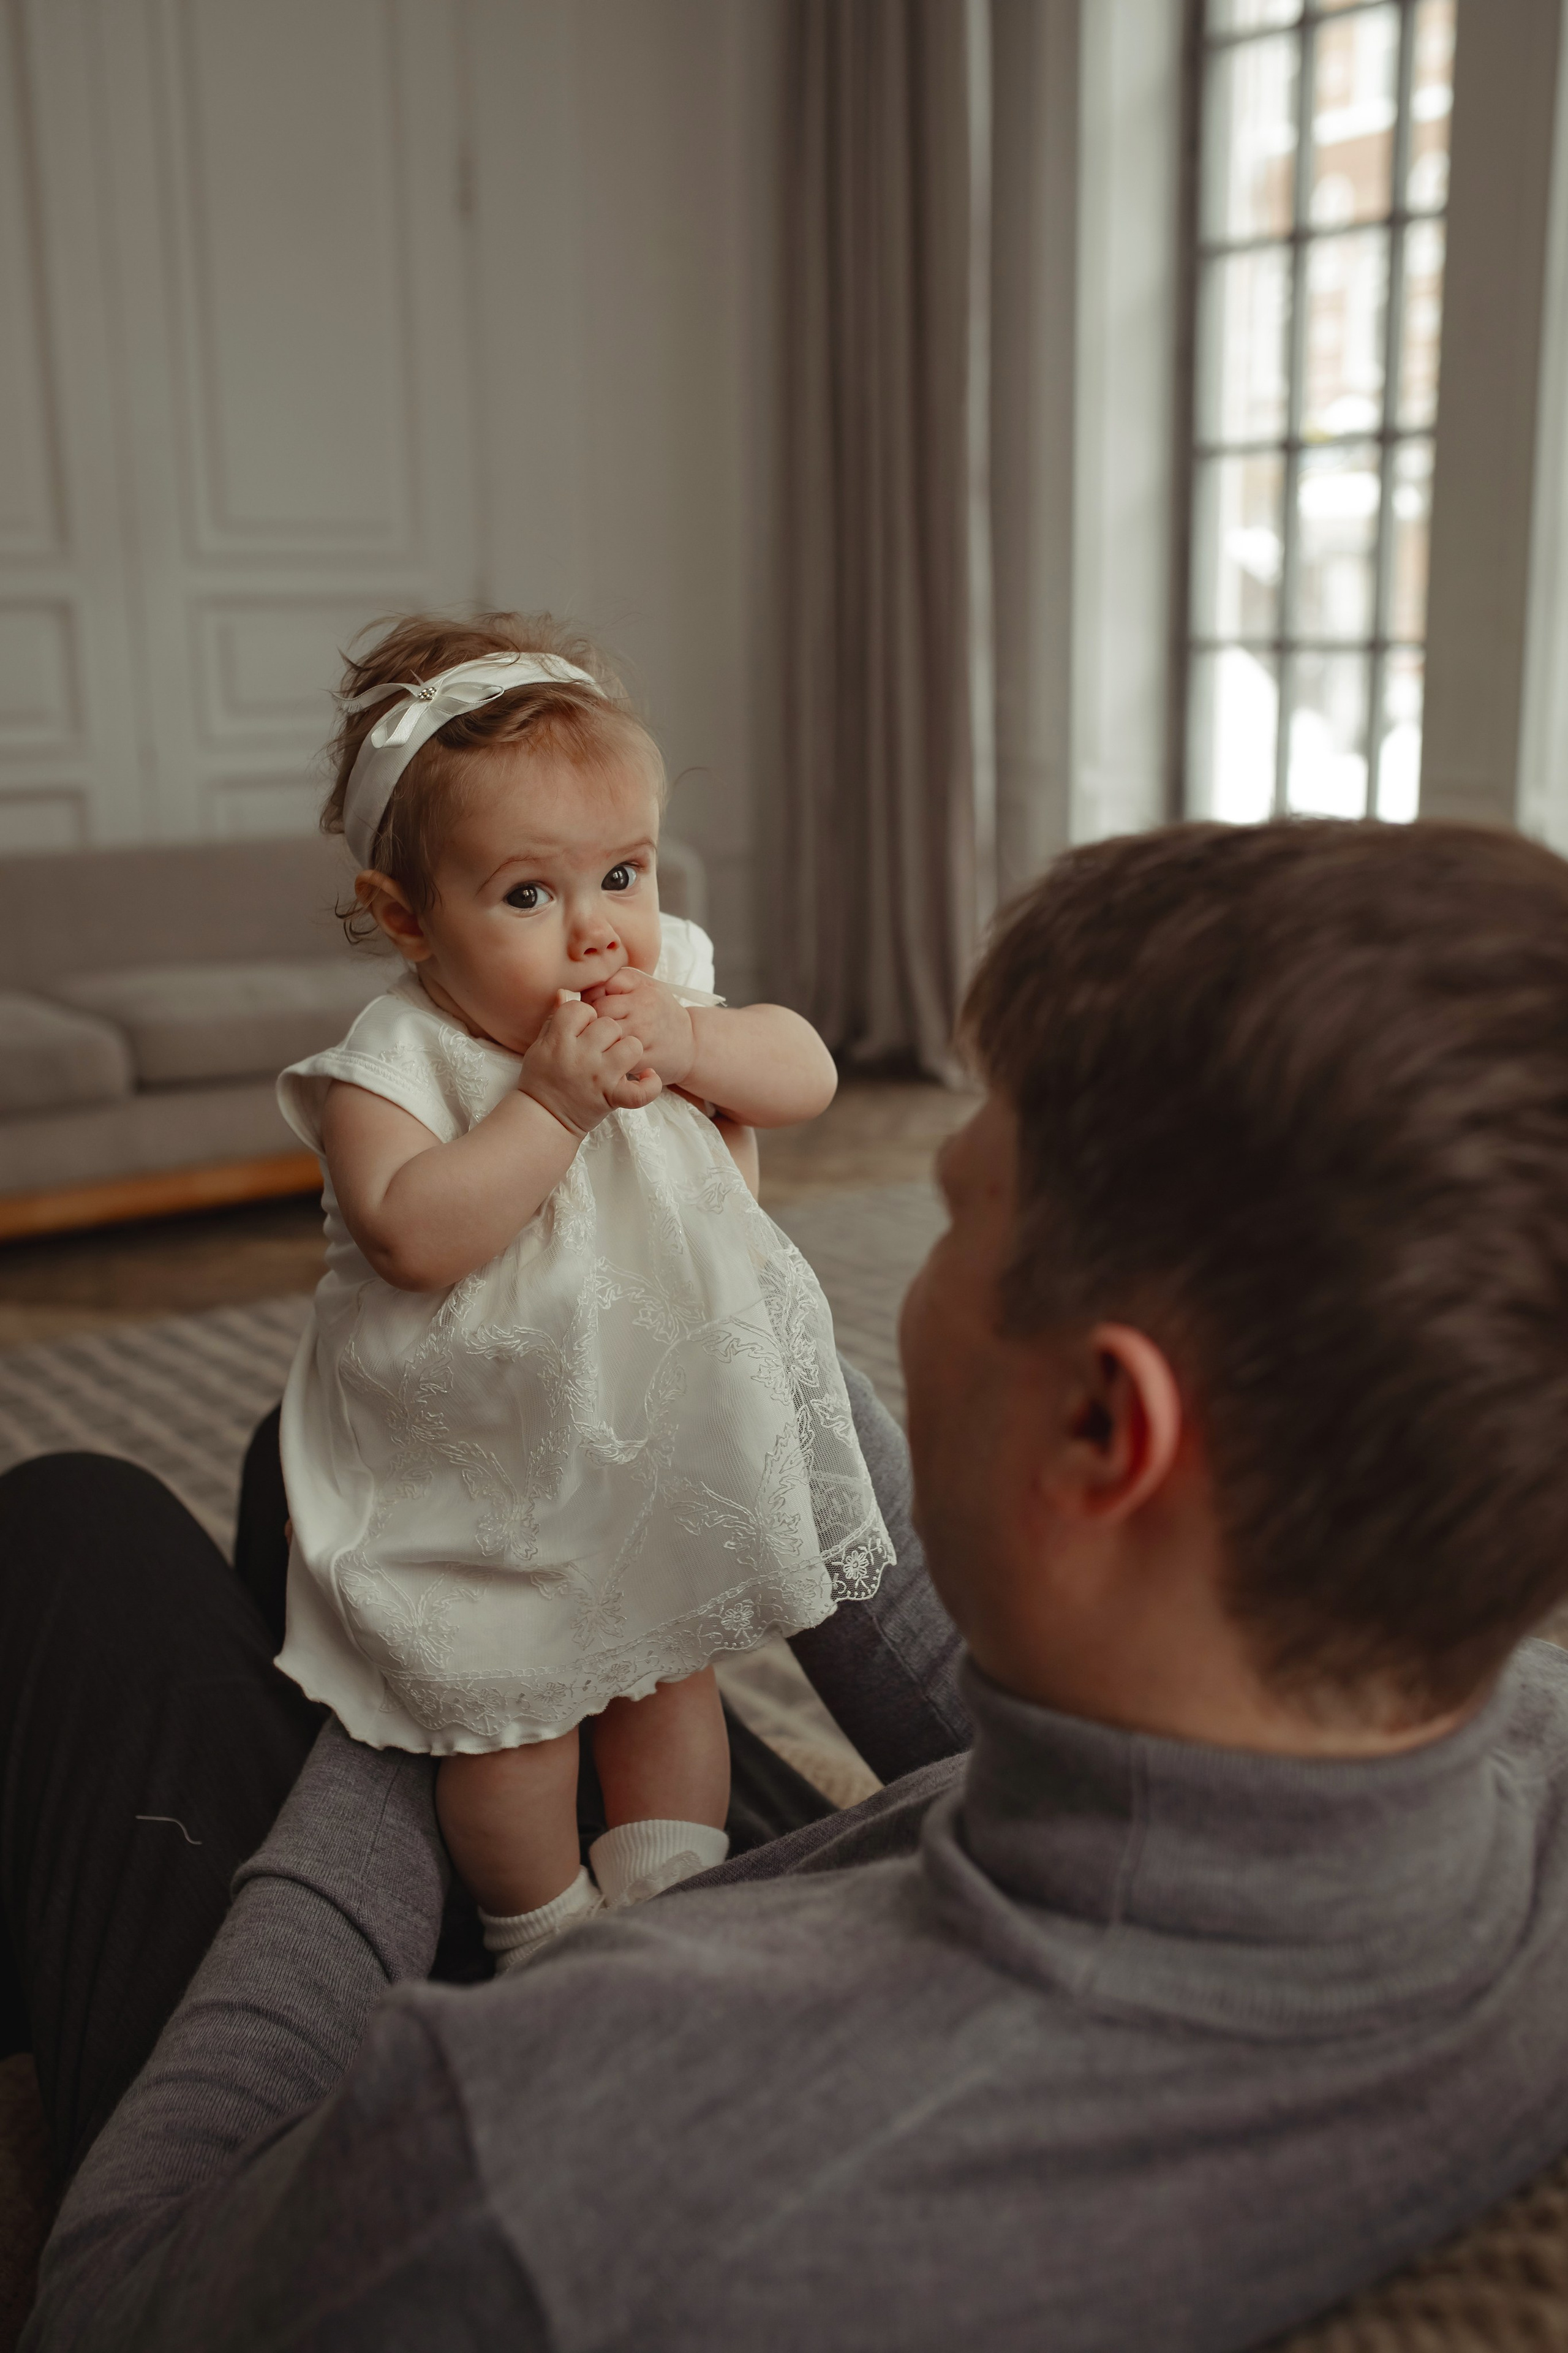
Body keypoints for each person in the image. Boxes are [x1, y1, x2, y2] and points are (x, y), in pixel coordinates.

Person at [9, 817, 1568, 2352]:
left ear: (1102, 1426)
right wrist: (714, 1384)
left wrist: (443, 1643)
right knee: (305, 1455)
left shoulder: (532, 2164)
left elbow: (104, 2306)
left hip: (608, 2010)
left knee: (83, 1535)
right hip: (838, 1893)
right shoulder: (1511, 1736)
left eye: (955, 1209)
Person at [273, 613, 891, 1969]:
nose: (597, 932)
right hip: (488, 1452)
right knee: (517, 1714)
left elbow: (806, 1073)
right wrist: (547, 1107)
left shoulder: (665, 982)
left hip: (647, 1411)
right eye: (526, 896)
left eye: (622, 872)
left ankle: (668, 1912)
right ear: (406, 918)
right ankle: (539, 1933)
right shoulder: (397, 1055)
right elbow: (408, 1236)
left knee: (672, 1665)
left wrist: (695, 1040)